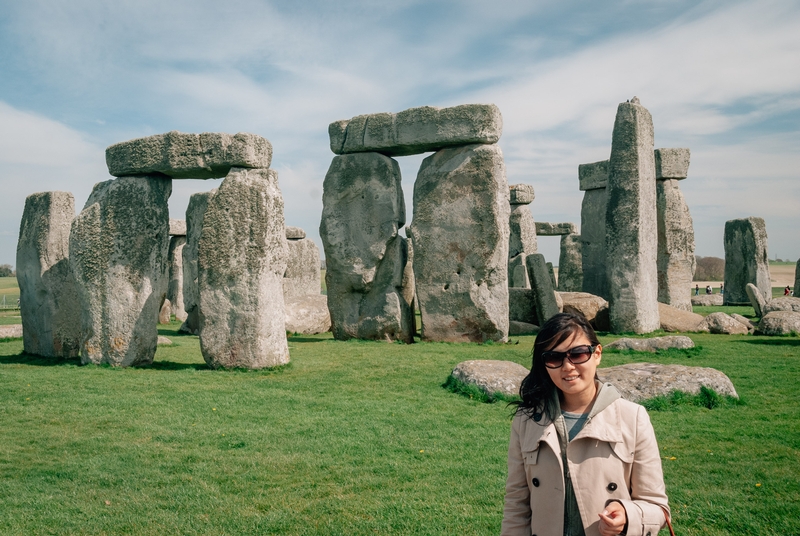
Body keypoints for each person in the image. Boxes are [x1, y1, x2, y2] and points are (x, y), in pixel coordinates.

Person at [502, 313, 670, 536]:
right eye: (554, 357)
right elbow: (516, 504)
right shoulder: (527, 420)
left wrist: (627, 515)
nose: (568, 366)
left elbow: (657, 507)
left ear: (597, 354)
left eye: (578, 354)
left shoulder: (633, 417)